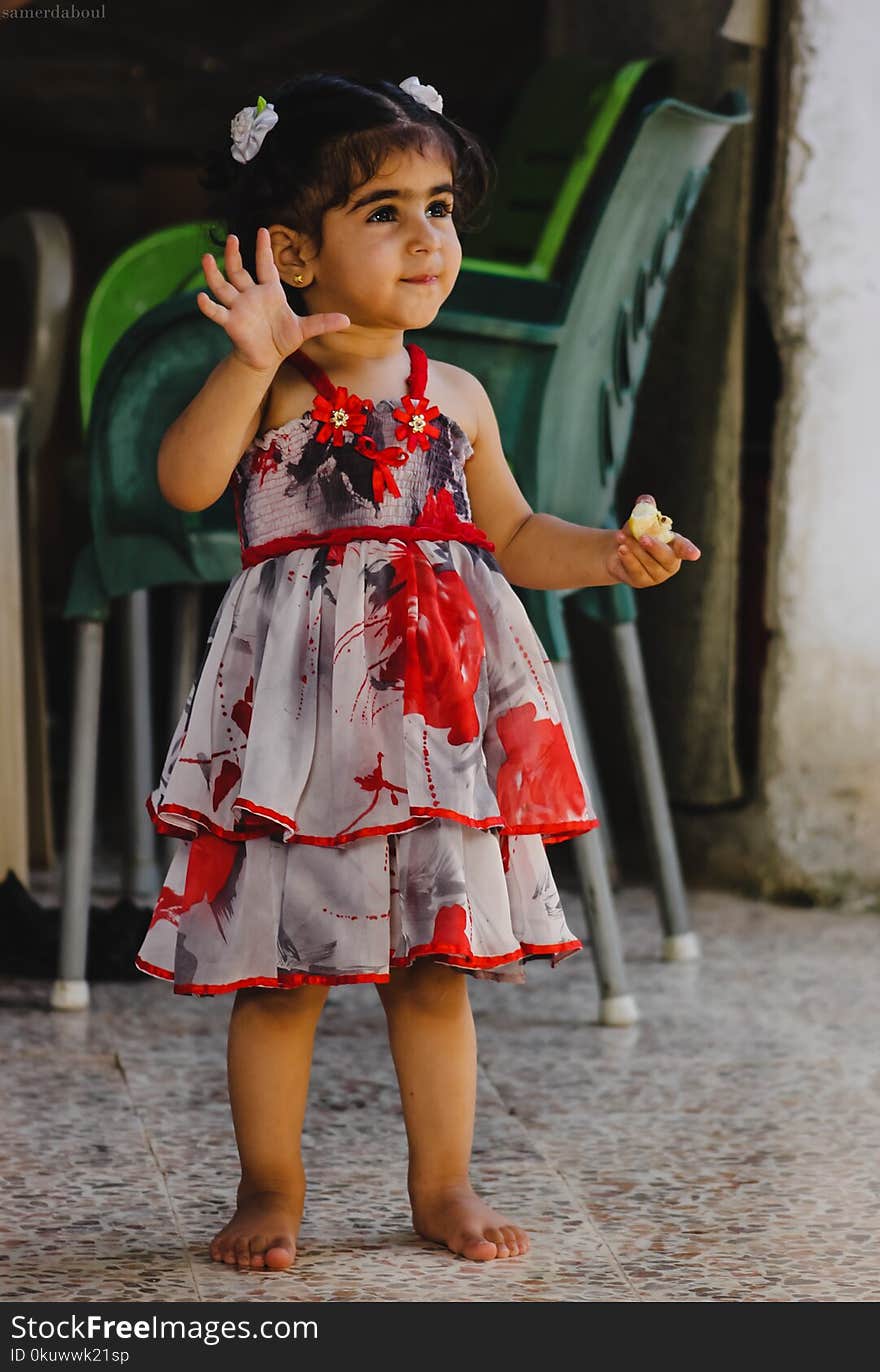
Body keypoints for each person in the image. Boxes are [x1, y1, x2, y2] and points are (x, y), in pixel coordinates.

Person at [135, 71, 702, 1274]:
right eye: (383, 211)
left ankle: (442, 1182)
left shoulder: (461, 396)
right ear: (292, 249)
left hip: (434, 729)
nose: (427, 237)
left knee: (436, 970)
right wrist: (249, 357)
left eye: (438, 207)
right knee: (282, 977)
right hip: (302, 733)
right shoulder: (283, 382)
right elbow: (186, 484)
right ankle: (269, 1189)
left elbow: (511, 533)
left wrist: (605, 552)